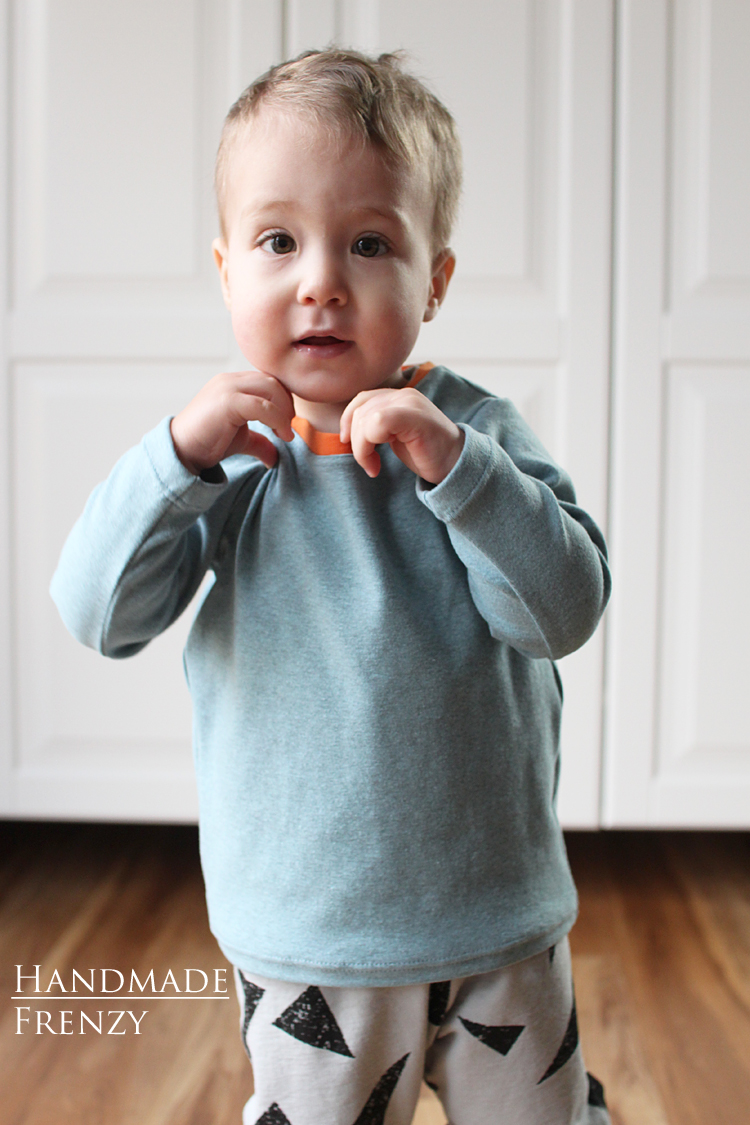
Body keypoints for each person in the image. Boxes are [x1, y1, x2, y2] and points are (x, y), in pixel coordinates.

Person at [51, 48, 612, 1125]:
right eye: (278, 241)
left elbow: (562, 609)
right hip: (311, 944)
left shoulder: (479, 438)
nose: (321, 279)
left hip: (502, 925)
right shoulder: (228, 462)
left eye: (369, 242)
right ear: (227, 274)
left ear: (434, 281)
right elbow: (97, 614)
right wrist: (176, 458)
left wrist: (455, 467)